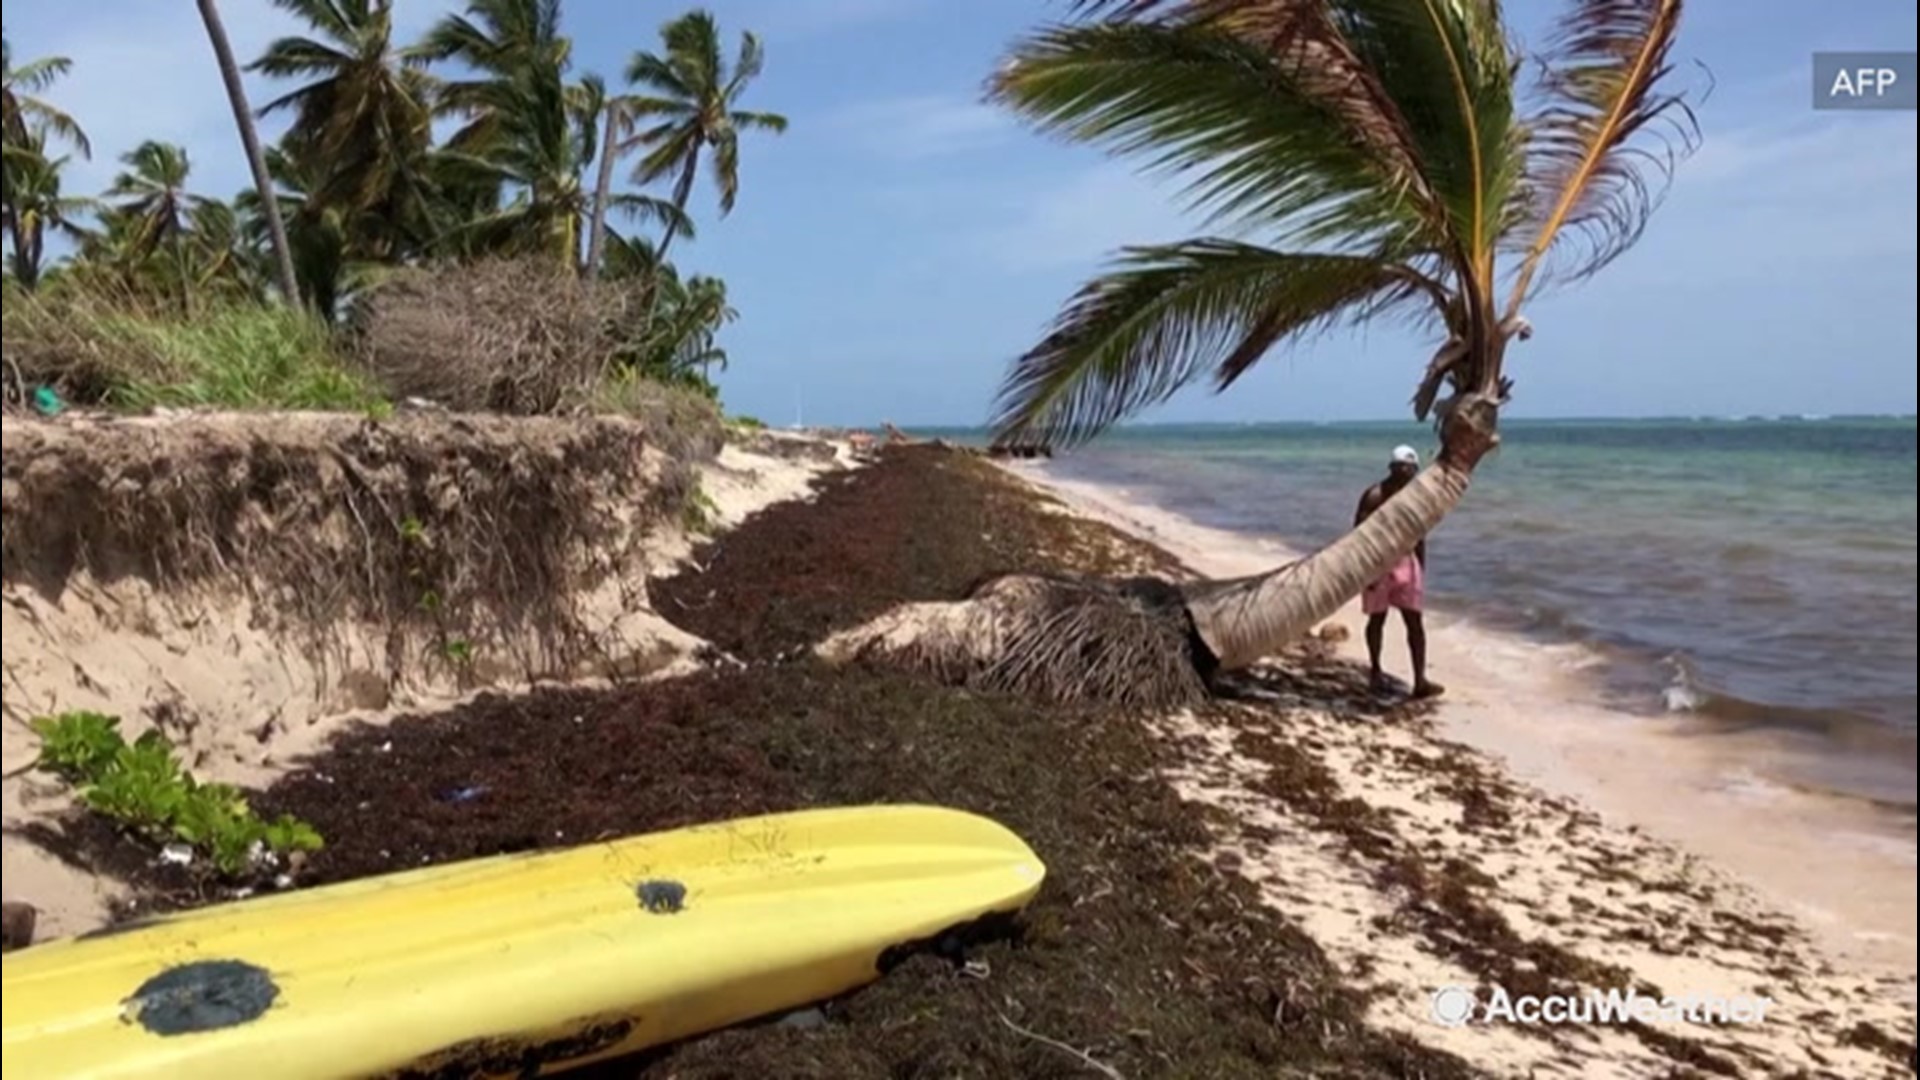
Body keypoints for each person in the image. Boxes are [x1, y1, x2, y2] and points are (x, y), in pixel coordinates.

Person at [1354, 445, 1444, 699]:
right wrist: (1366, 572)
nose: (1406, 473)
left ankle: (1420, 680)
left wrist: (1420, 568)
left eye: (1410, 469)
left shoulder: (1416, 498)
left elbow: (1420, 535)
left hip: (1406, 562)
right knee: (1377, 619)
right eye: (1401, 468)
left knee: (1414, 622)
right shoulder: (1374, 495)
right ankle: (1375, 671)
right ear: (1392, 468)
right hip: (1377, 564)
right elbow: (1358, 536)